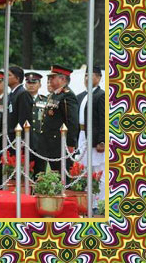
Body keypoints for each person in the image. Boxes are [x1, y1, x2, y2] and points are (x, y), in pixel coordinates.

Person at [39, 65, 79, 177]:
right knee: (55, 174)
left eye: (53, 77)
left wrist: (71, 144)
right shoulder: (54, 94)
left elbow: (72, 121)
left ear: (63, 79)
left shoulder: (67, 95)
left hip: (61, 144)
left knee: (63, 175)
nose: (50, 79)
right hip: (51, 143)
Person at [77, 66, 106, 206]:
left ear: (99, 78)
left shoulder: (101, 95)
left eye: (91, 75)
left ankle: (99, 205)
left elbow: (103, 119)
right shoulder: (82, 96)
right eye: (86, 75)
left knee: (98, 172)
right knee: (83, 170)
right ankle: (86, 203)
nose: (87, 78)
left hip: (95, 139)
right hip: (82, 136)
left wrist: (102, 140)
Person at [25, 72, 46, 177]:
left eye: (34, 82)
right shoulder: (20, 99)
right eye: (28, 82)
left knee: (40, 173)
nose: (31, 85)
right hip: (24, 142)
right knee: (23, 173)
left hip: (40, 143)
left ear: (40, 85)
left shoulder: (45, 100)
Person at [7, 66, 33, 149]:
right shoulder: (11, 94)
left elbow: (24, 117)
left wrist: (21, 138)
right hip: (10, 136)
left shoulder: (23, 94)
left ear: (17, 78)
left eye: (9, 75)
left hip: (17, 137)